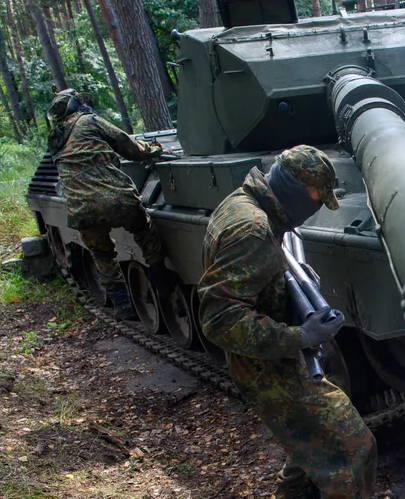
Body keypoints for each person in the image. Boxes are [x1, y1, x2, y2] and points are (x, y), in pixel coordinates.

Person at [197, 145, 376, 499]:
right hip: (268, 368)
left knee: (311, 446)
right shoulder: (252, 227)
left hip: (271, 357)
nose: (315, 208)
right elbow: (218, 319)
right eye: (315, 198)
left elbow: (252, 281)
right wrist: (301, 336)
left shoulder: (246, 203)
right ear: (294, 190)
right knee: (353, 447)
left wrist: (286, 277)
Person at [46, 88, 174, 320]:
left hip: (81, 208)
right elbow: (128, 146)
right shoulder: (89, 121)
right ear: (76, 104)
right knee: (143, 228)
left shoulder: (54, 138)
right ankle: (160, 276)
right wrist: (155, 150)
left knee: (101, 254)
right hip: (116, 198)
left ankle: (122, 305)